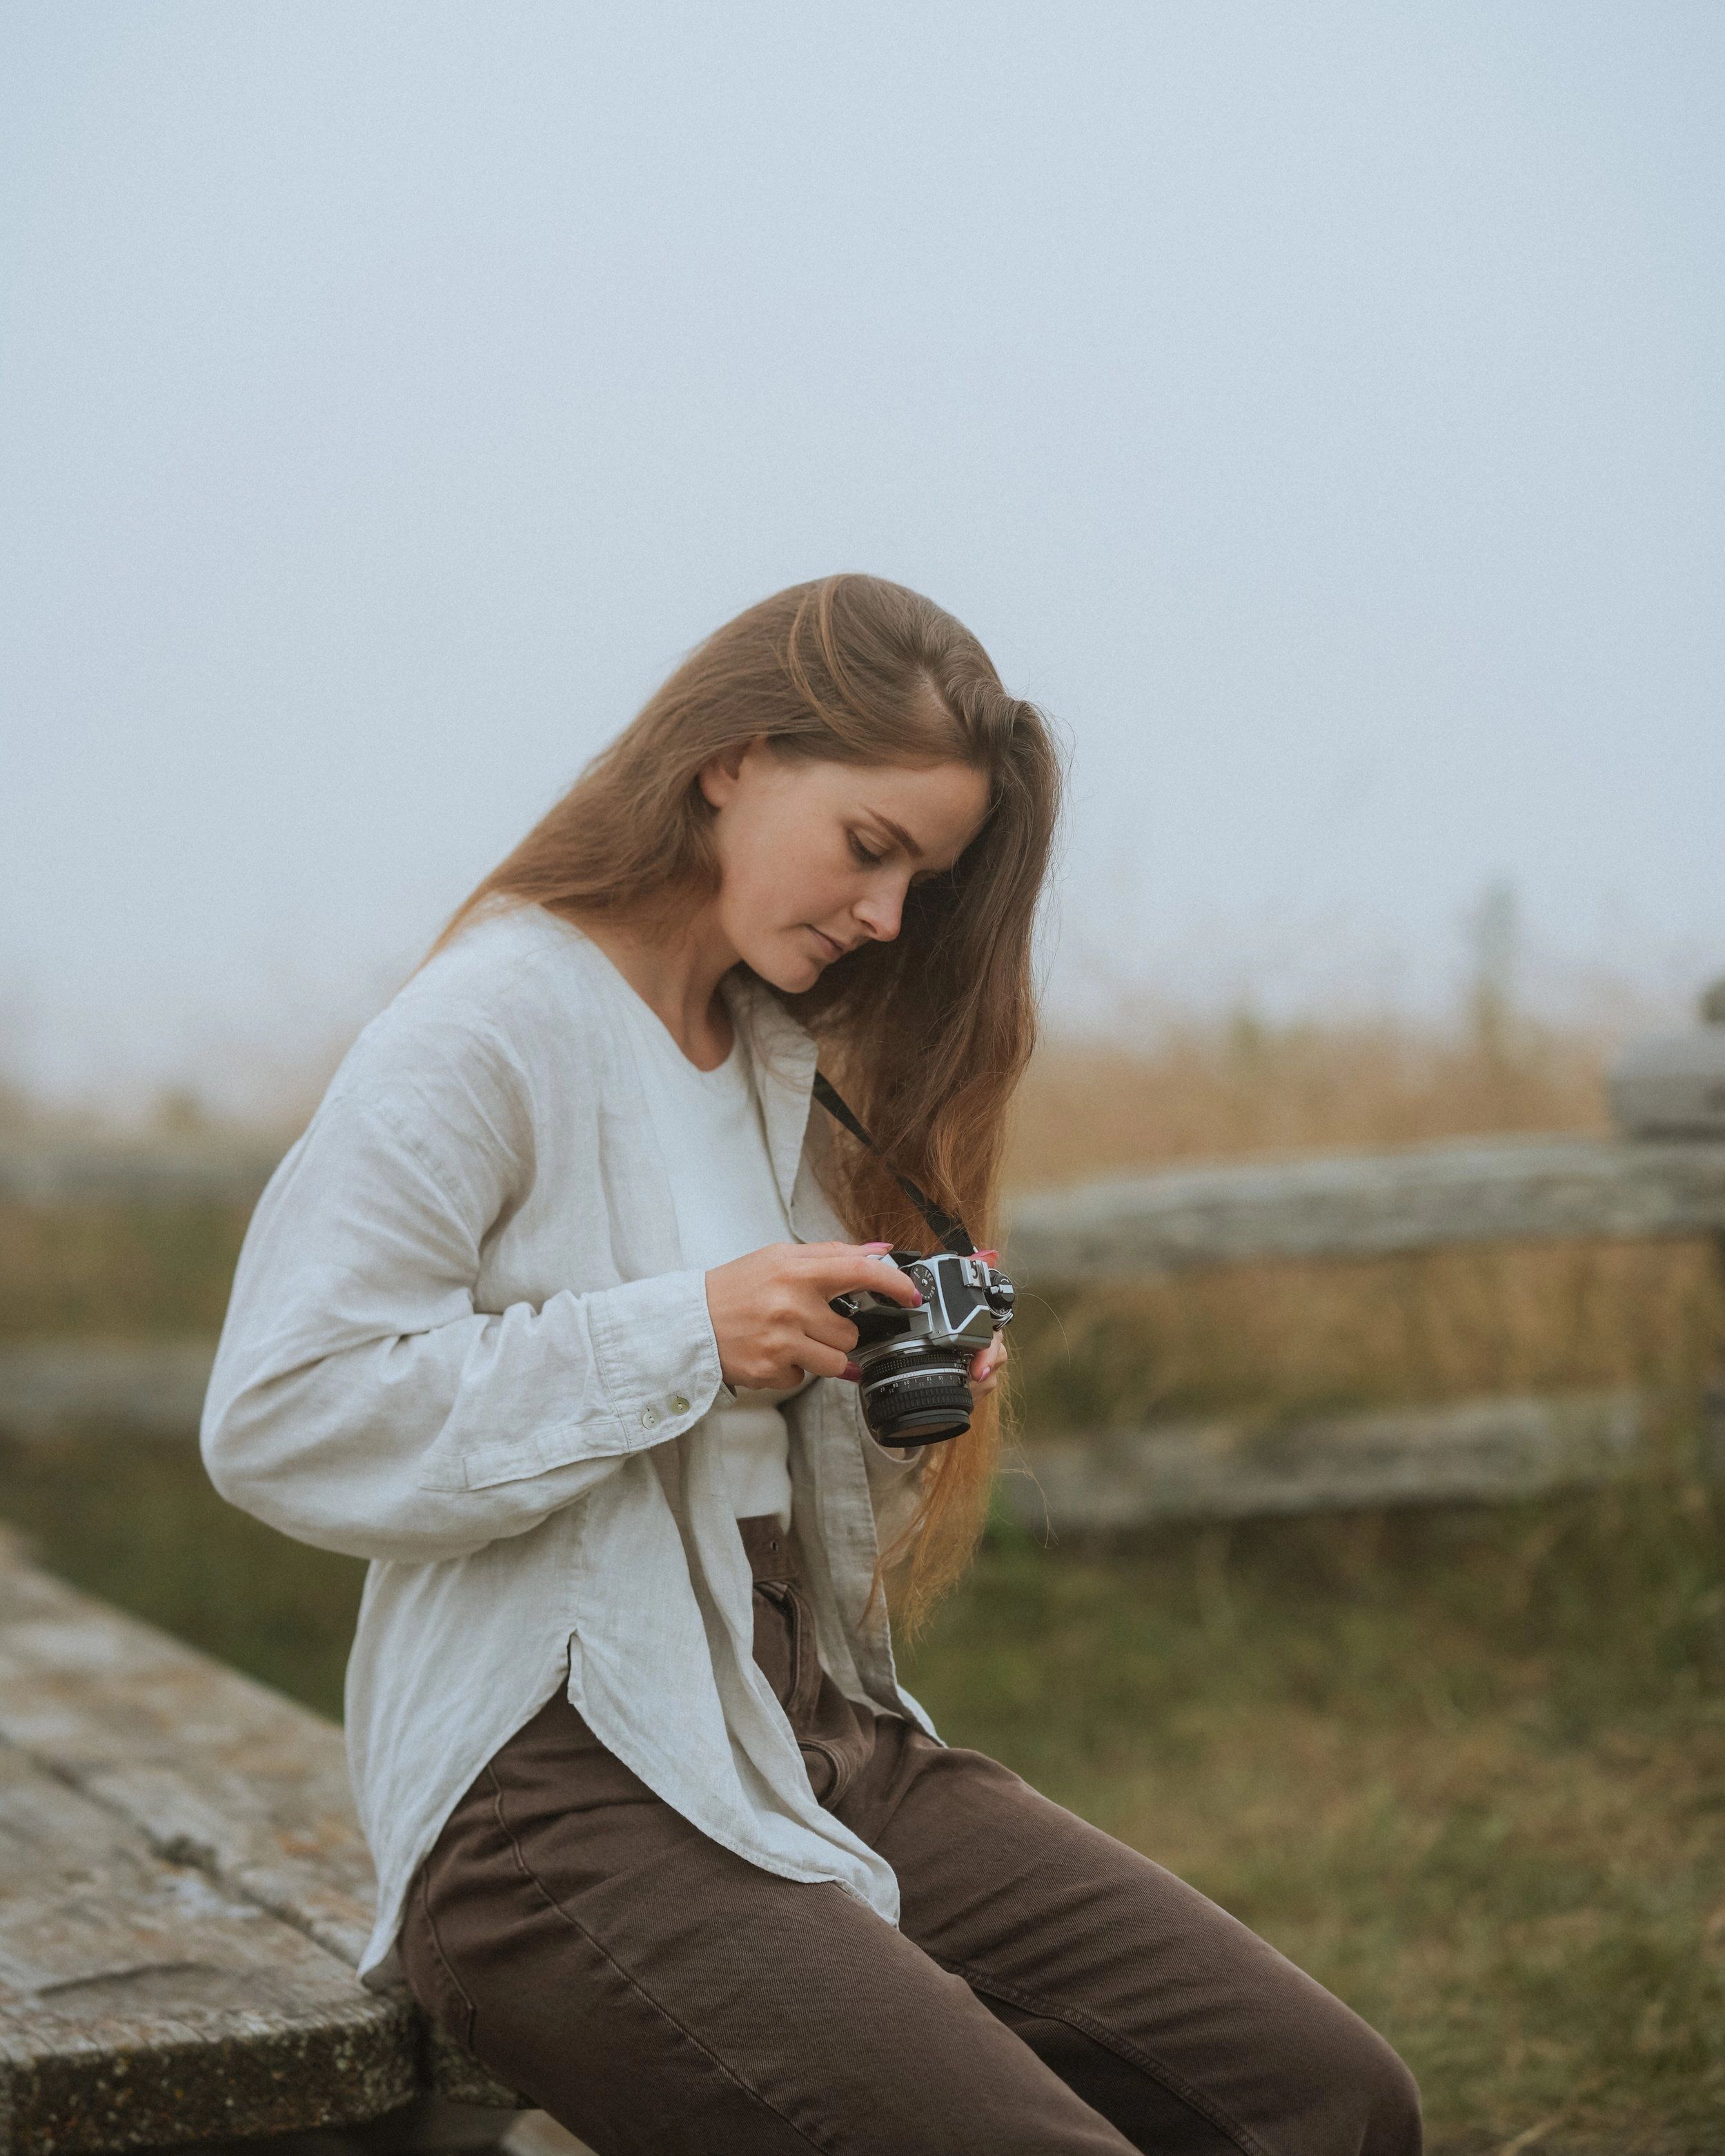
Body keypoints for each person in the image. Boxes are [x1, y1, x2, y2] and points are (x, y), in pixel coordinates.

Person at [201, 575, 1421, 2155]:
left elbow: (730, 1447)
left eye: (922, 876)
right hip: (554, 1794)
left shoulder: (778, 1057)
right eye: (870, 848)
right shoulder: (494, 1021)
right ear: (734, 758)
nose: (887, 917)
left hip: (818, 1728)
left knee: (1325, 2099)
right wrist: (687, 1331)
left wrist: (879, 1393)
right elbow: (281, 1414)